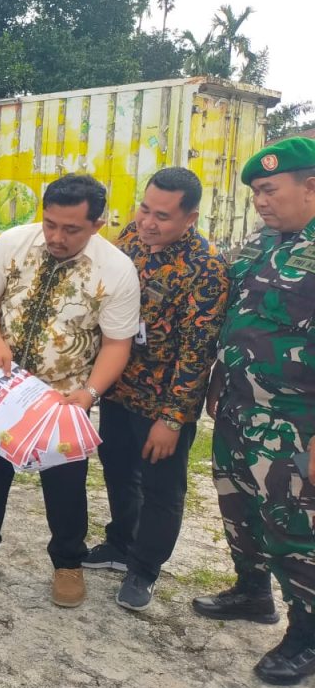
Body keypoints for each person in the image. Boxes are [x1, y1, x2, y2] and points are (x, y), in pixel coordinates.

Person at [0, 173, 140, 608]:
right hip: (2, 385)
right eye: (51, 223)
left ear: (97, 223)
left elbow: (116, 343)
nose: (57, 236)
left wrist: (90, 393)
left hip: (65, 397)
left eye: (71, 229)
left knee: (65, 482)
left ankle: (67, 562)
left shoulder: (116, 270)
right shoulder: (13, 242)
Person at [193, 137, 315, 686]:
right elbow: (236, 312)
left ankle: (307, 635)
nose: (260, 201)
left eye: (269, 190)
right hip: (241, 410)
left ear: (311, 186)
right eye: (255, 192)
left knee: (295, 527)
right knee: (238, 506)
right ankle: (251, 592)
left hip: (297, 423)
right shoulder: (263, 241)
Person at [84, 168, 229, 611]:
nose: (148, 221)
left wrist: (172, 419)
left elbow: (196, 354)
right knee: (117, 468)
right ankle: (121, 543)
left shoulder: (207, 268)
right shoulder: (129, 240)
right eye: (144, 208)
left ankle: (145, 568)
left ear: (190, 218)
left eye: (162, 216)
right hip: (119, 389)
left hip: (163, 402)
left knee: (162, 487)